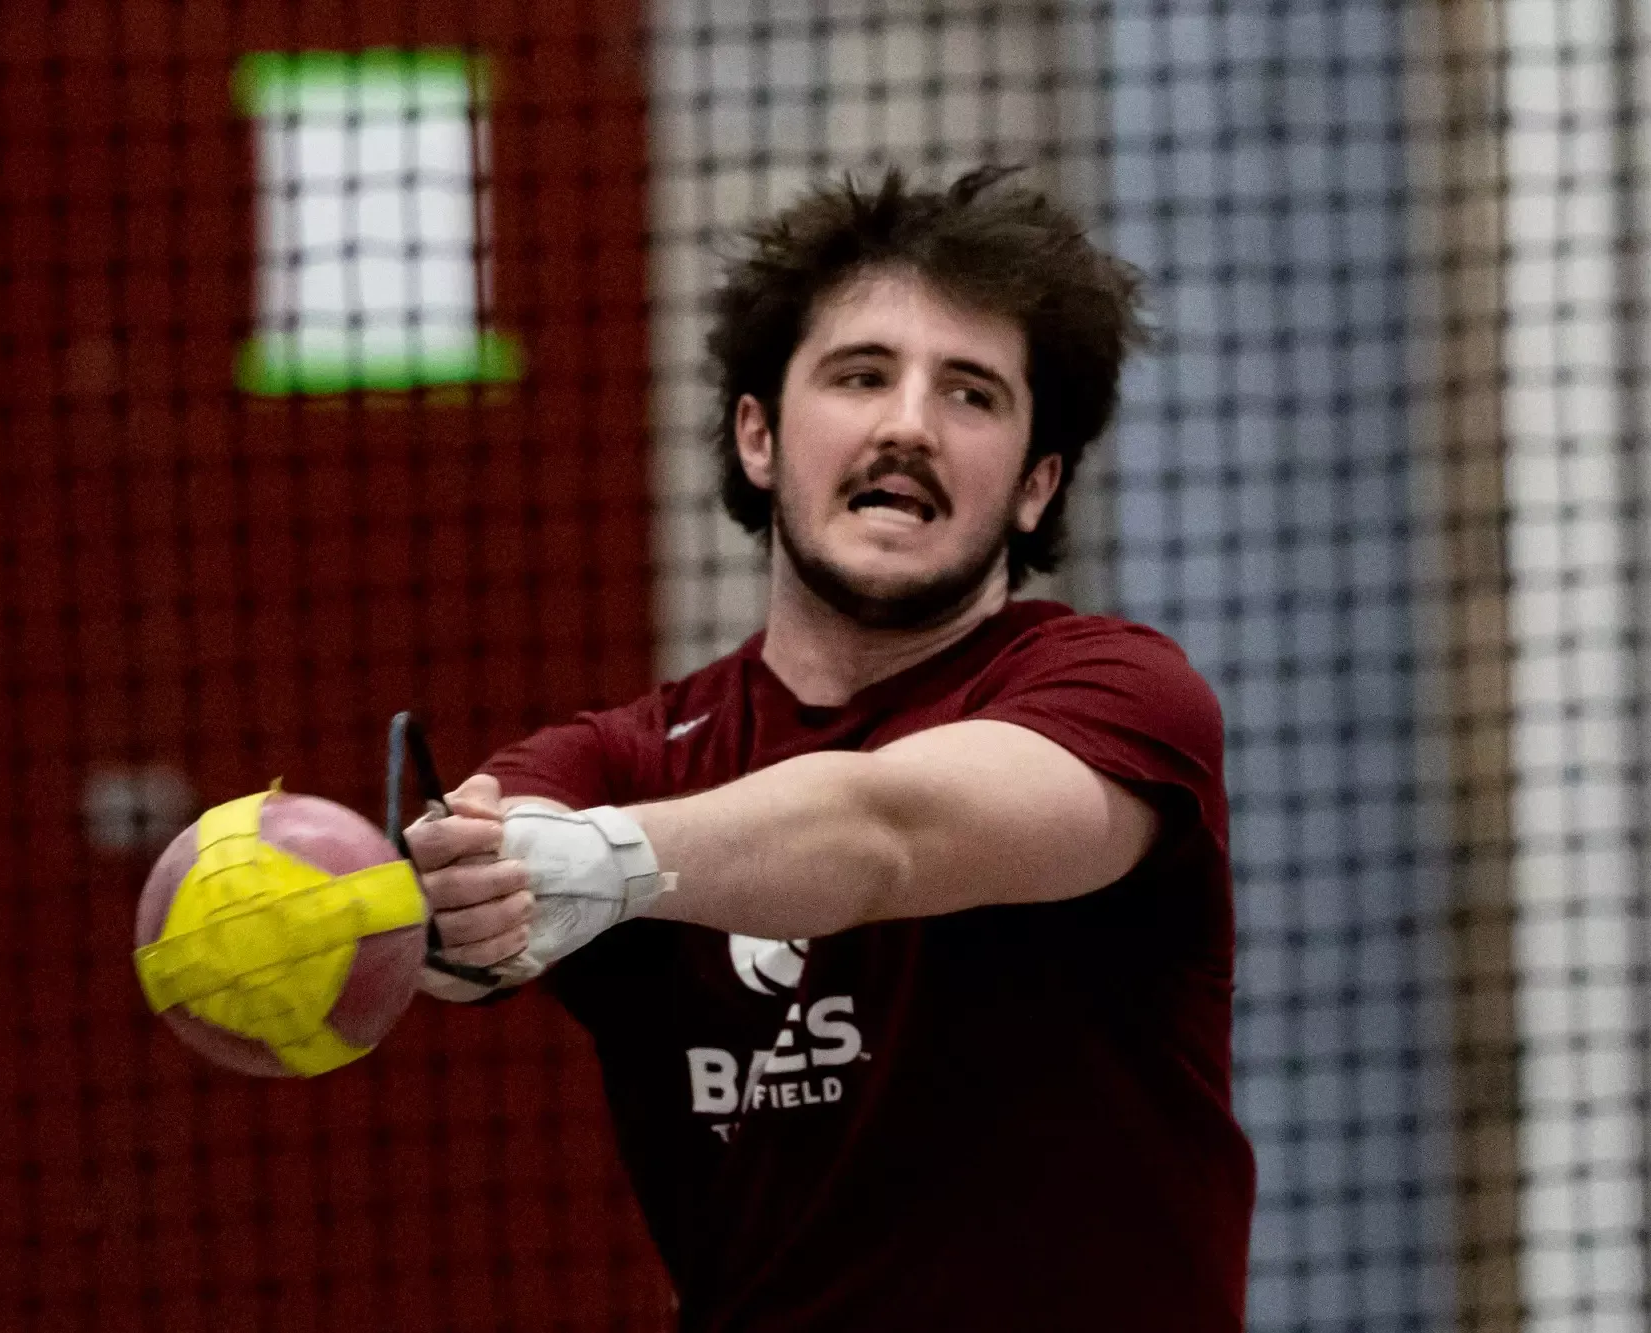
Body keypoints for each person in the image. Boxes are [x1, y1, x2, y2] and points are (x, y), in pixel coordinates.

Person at [405, 165, 1254, 1332]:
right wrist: (435, 916)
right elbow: (454, 921)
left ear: (1032, 485)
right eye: (861, 375)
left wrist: (601, 862)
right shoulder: (624, 760)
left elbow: (885, 833)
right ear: (757, 436)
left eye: (971, 395)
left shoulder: (1119, 697)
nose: (907, 423)